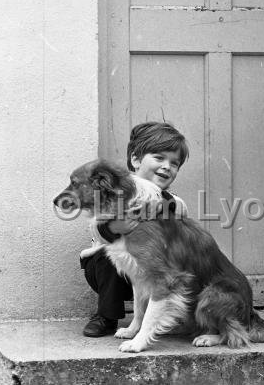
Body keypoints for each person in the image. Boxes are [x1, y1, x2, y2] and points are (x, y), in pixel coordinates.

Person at [80, 121, 189, 337]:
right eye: (159, 158)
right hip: (110, 273)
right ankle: (106, 316)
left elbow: (182, 212)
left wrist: (165, 204)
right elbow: (95, 229)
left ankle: (158, 317)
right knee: (110, 253)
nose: (167, 166)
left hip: (150, 273)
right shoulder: (117, 193)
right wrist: (114, 227)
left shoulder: (170, 199)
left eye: (174, 163)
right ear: (136, 160)